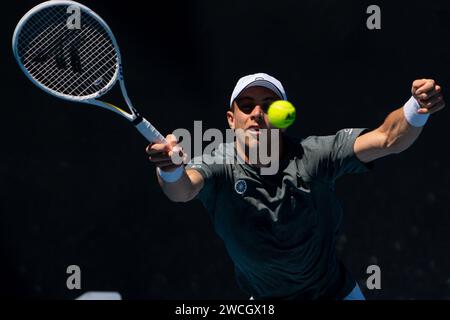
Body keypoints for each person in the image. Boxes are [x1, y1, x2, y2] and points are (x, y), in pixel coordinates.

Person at [146, 73, 445, 300]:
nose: (256, 113)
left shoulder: (314, 155)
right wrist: (170, 170)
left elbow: (387, 138)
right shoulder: (217, 165)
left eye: (268, 105)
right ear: (231, 119)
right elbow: (182, 190)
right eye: (247, 105)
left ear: (283, 117)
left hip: (334, 294)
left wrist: (415, 107)